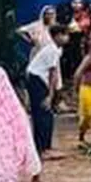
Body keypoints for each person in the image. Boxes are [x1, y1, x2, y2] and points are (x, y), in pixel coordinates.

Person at [25, 24, 68, 158]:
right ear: (57, 36)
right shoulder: (52, 50)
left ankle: (41, 146)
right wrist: (50, 95)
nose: (67, 38)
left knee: (40, 113)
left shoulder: (54, 49)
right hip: (37, 79)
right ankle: (44, 148)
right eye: (65, 35)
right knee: (45, 113)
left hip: (34, 77)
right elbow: (53, 73)